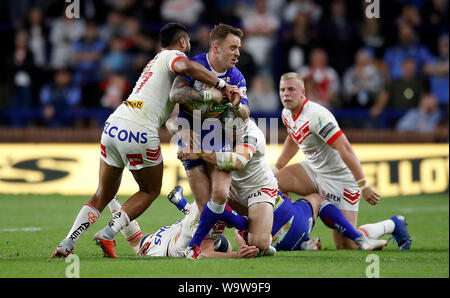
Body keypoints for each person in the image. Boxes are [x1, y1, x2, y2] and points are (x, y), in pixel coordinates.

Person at [51, 23, 240, 258]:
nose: (189, 47)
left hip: (114, 123)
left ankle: (67, 243)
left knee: (103, 192)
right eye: (188, 42)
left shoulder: (154, 63)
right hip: (139, 128)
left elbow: (174, 102)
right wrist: (220, 84)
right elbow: (184, 66)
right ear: (182, 41)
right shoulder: (173, 56)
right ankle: (109, 232)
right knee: (150, 190)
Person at [272, 72, 382, 250]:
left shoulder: (316, 116)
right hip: (314, 170)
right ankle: (292, 232)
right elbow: (293, 138)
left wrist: (363, 184)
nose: (286, 94)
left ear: (302, 92)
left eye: (291, 89)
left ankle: (392, 225)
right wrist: (276, 168)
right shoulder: (287, 113)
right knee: (272, 183)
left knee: (346, 245)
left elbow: (345, 148)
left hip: (339, 178)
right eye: (282, 90)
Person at [167, 24, 249, 259]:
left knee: (221, 194)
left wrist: (237, 105)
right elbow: (176, 95)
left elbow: (246, 113)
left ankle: (238, 225)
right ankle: (240, 224)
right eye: (232, 47)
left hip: (218, 138)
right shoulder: (195, 67)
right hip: (190, 140)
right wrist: (207, 95)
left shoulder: (236, 76)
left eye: (239, 48)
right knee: (206, 211)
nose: (237, 53)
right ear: (216, 47)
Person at [105, 196, 260, 258]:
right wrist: (237, 256)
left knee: (224, 244)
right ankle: (110, 199)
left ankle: (183, 205)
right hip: (164, 247)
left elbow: (238, 228)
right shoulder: (205, 217)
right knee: (136, 243)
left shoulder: (217, 201)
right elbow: (204, 254)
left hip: (179, 230)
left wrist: (246, 243)